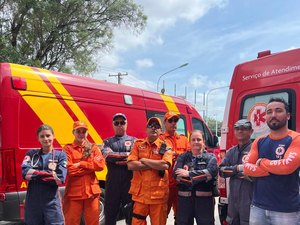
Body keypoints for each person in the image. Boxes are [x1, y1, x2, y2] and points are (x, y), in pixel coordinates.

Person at [243, 97, 300, 225]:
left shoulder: (296, 138)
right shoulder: (259, 141)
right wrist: (274, 169)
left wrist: (262, 163)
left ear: (288, 116)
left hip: (286, 210)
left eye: (278, 110)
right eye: (269, 112)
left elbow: (287, 167)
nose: (273, 115)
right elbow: (246, 168)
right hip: (258, 207)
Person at [127, 117, 173, 225]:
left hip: (158, 196)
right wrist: (154, 164)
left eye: (157, 126)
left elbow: (165, 165)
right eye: (150, 126)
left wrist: (143, 160)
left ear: (160, 131)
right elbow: (130, 165)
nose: (153, 128)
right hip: (140, 197)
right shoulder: (138, 144)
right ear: (146, 129)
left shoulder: (166, 146)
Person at [21, 124, 67, 225]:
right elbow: (24, 173)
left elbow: (60, 178)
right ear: (38, 138)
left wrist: (35, 174)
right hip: (32, 204)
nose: (45, 139)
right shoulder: (31, 154)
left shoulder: (61, 155)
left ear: (53, 136)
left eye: (48, 135)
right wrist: (49, 174)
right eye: (42, 136)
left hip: (52, 204)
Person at [63, 121, 105, 225]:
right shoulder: (67, 149)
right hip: (74, 193)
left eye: (84, 131)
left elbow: (100, 166)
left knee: (93, 222)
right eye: (78, 131)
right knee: (71, 222)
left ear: (87, 133)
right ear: (73, 132)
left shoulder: (93, 148)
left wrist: (81, 164)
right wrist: (91, 167)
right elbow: (70, 170)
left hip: (92, 192)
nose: (81, 134)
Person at [173, 130, 218, 225]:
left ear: (203, 142)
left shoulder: (211, 158)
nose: (196, 142)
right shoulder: (182, 157)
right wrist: (201, 177)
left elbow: (210, 173)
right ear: (189, 142)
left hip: (204, 203)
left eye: (199, 139)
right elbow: (176, 175)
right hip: (184, 202)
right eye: (193, 140)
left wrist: (189, 174)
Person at [101, 113, 136, 225]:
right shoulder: (107, 142)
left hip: (129, 185)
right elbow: (108, 156)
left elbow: (136, 156)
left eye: (122, 122)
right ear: (113, 125)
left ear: (126, 124)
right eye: (117, 123)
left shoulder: (134, 141)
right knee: (110, 217)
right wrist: (127, 157)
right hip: (112, 185)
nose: (120, 125)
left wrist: (117, 159)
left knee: (131, 217)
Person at [219, 119, 254, 225]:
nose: (240, 131)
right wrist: (238, 169)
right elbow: (221, 171)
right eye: (237, 129)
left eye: (244, 129)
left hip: (249, 201)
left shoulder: (255, 150)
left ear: (251, 131)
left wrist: (231, 172)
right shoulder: (230, 152)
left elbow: (258, 173)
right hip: (233, 202)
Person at [160, 111, 189, 222]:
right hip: (165, 185)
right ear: (165, 123)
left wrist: (175, 154)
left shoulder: (184, 139)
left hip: (181, 184)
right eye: (170, 120)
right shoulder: (161, 139)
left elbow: (190, 158)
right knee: (162, 214)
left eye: (176, 120)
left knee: (181, 215)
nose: (173, 123)